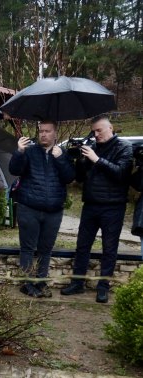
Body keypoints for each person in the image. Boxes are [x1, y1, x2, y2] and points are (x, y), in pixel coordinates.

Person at [61, 116, 133, 302]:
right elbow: (80, 179)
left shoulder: (123, 147)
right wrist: (81, 161)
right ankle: (77, 283)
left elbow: (121, 174)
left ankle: (103, 287)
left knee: (109, 249)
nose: (96, 134)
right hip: (91, 204)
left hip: (113, 206)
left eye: (99, 130)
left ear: (110, 128)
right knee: (82, 246)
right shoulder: (92, 147)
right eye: (93, 131)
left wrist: (96, 159)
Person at [9, 121, 75, 298]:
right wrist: (19, 152)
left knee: (46, 249)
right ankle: (28, 284)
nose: (43, 134)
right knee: (28, 248)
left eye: (47, 131)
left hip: (53, 210)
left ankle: (41, 282)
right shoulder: (30, 152)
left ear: (55, 133)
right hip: (29, 208)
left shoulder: (62, 153)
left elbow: (69, 178)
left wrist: (60, 158)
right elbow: (14, 169)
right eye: (41, 131)